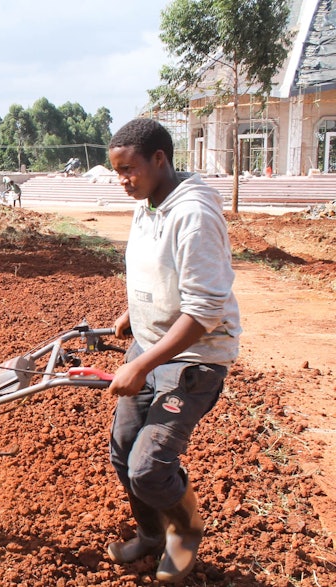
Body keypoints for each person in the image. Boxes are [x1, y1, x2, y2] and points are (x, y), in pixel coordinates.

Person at [105, 118, 241, 583]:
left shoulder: (194, 214)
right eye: (116, 171)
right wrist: (133, 315)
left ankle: (185, 531)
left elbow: (204, 311)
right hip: (152, 342)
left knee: (149, 466)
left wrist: (143, 363)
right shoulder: (149, 202)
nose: (123, 181)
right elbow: (159, 271)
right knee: (124, 452)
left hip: (194, 358)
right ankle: (151, 534)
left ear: (159, 159)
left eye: (129, 170)